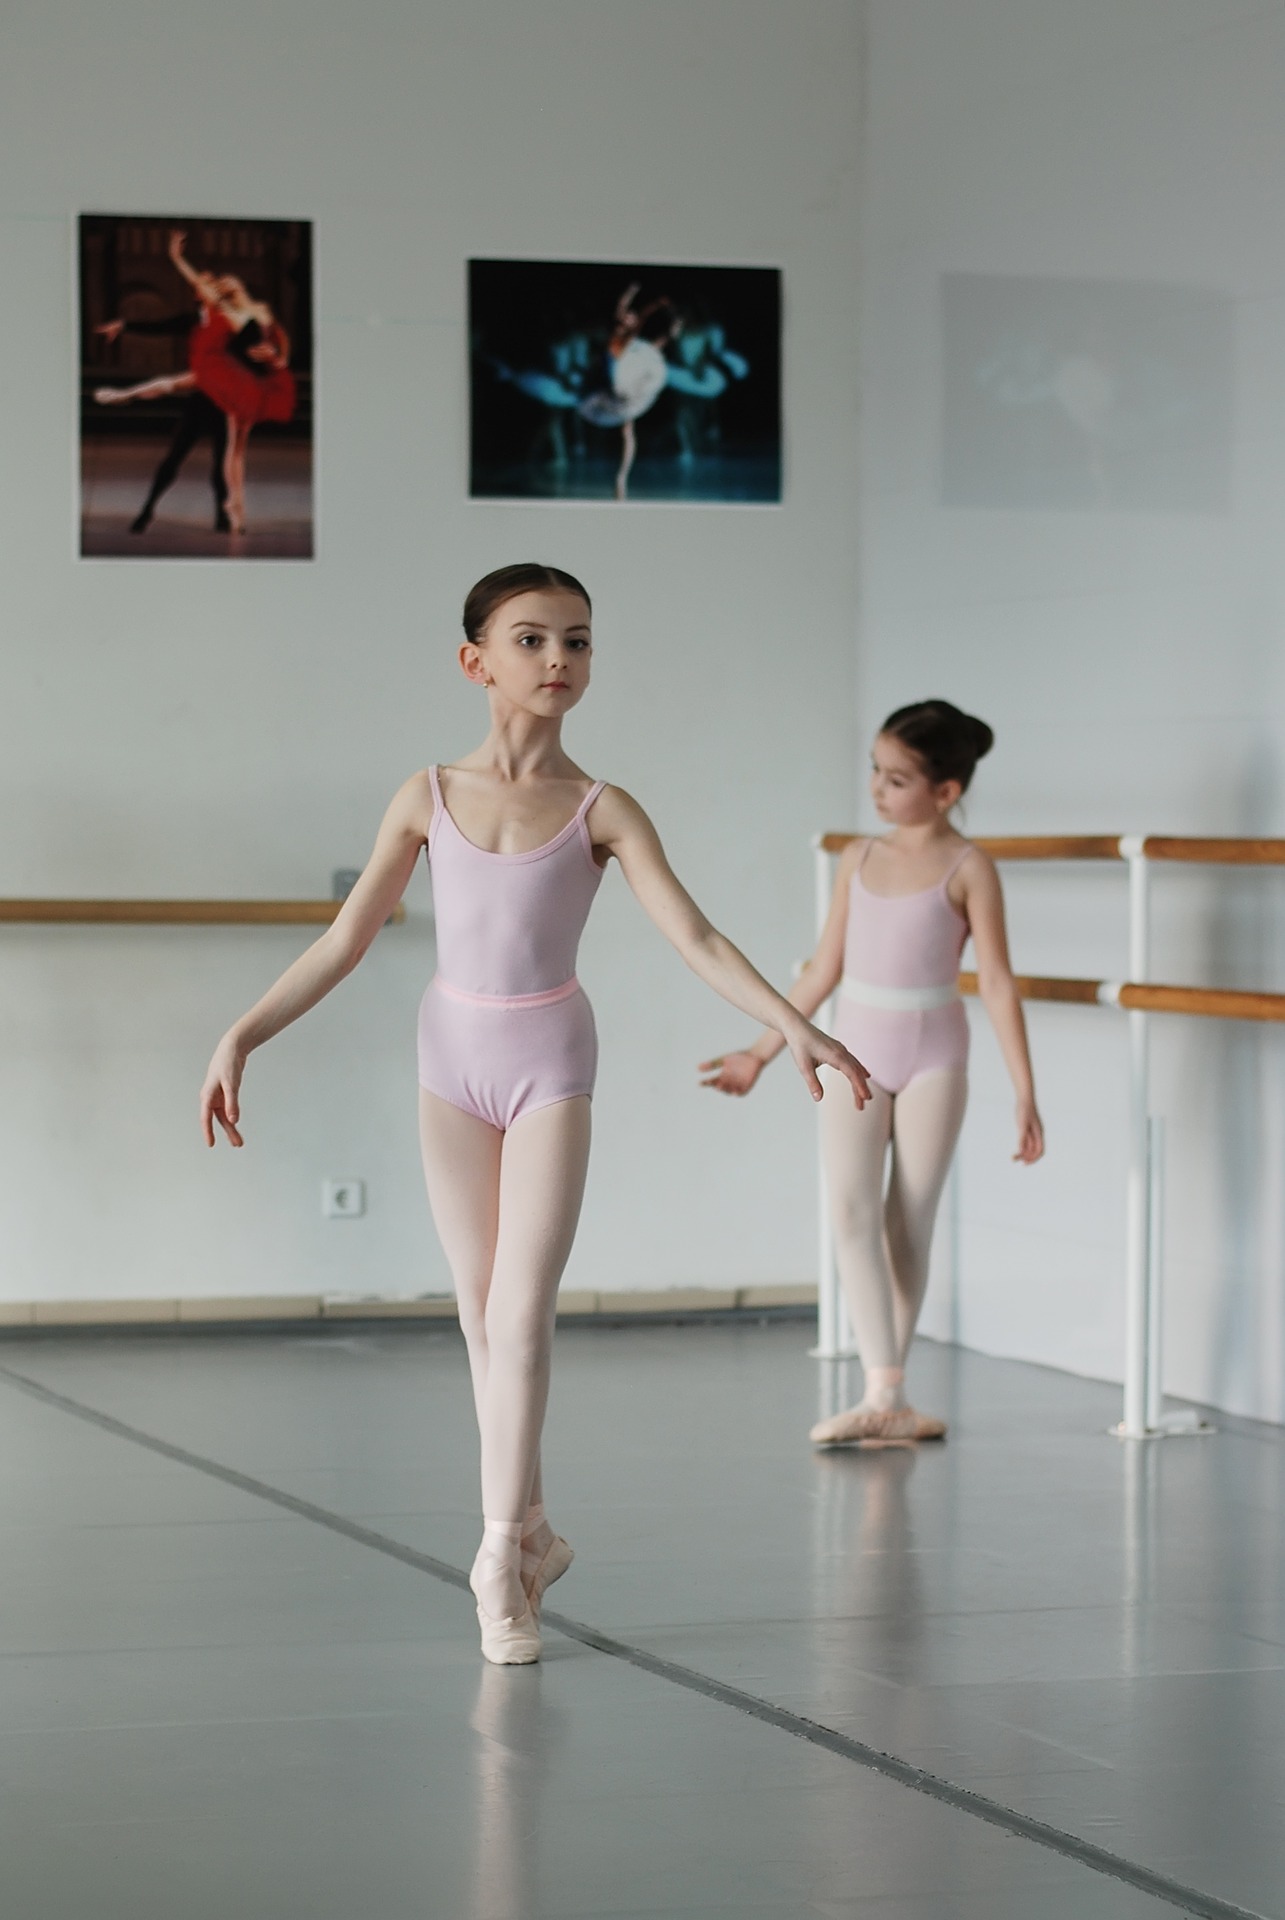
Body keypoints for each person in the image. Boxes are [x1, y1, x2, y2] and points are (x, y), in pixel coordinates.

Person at [199, 563, 870, 1663]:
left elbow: (695, 936)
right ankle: (542, 1531)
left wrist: (793, 1024)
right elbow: (345, 938)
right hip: (449, 1059)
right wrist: (243, 1032)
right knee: (479, 1317)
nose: (560, 660)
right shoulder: (425, 794)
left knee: (520, 1318)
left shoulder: (602, 808)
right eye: (532, 640)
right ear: (476, 662)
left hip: (549, 1058)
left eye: (579, 641)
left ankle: (497, 1557)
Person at [700, 700, 1043, 1445]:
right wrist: (759, 1052)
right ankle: (882, 1392)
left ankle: (887, 1392)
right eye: (874, 774)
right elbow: (822, 969)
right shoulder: (857, 859)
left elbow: (996, 983)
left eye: (895, 780)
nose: (878, 791)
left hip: (934, 1057)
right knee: (852, 1213)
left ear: (945, 792)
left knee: (905, 1221)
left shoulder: (968, 867)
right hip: (853, 1046)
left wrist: (1024, 1090)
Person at [94, 232, 295, 533]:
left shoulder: (239, 314)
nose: (212, 284)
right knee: (179, 433)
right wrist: (175, 259)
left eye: (217, 283)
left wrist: (277, 359)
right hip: (212, 382)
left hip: (232, 384)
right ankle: (126, 395)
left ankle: (229, 513)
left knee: (227, 454)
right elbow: (165, 320)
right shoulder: (210, 314)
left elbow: (277, 340)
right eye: (209, 283)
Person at [93, 312, 230, 533]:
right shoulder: (195, 320)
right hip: (201, 397)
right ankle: (148, 509)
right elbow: (161, 325)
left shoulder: (233, 322)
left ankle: (222, 515)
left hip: (225, 399)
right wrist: (125, 324)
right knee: (175, 457)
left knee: (223, 463)